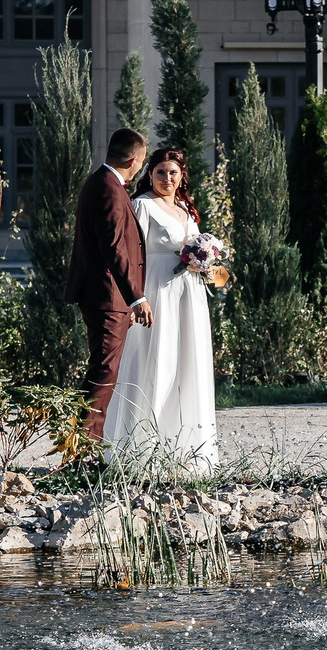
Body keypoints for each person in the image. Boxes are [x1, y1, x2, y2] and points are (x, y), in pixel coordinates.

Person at [103, 144, 219, 471]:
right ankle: (139, 451)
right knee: (155, 362)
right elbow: (129, 252)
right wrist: (136, 298)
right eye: (159, 172)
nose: (166, 179)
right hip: (157, 291)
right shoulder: (142, 206)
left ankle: (186, 452)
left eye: (172, 173)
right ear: (149, 174)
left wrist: (209, 265)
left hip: (189, 296)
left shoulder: (185, 208)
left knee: (187, 364)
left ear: (182, 176)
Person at [67, 127, 148, 439]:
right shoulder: (109, 189)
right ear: (131, 160)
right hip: (106, 296)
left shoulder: (102, 182)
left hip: (104, 294)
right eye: (140, 162)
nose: (139, 168)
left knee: (104, 369)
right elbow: (114, 248)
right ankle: (81, 448)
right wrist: (136, 298)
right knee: (104, 371)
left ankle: (83, 442)